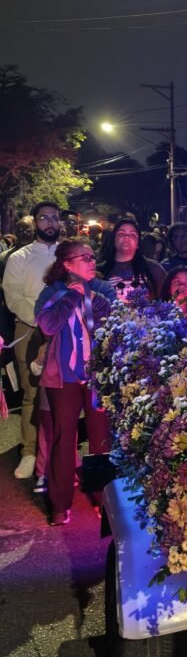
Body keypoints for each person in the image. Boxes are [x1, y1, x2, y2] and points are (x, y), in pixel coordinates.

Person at [35, 241, 114, 526]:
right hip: (64, 377)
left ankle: (103, 498)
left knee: (100, 437)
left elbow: (113, 319)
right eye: (85, 258)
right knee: (62, 436)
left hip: (96, 374)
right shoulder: (53, 291)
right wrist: (70, 297)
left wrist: (89, 294)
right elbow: (46, 324)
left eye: (94, 257)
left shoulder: (102, 288)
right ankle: (59, 503)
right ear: (67, 264)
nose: (93, 262)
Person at [2, 202, 60, 479]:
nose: (49, 223)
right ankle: (29, 451)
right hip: (29, 330)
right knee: (31, 392)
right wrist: (41, 320)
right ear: (35, 222)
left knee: (63, 392)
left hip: (64, 331)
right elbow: (13, 297)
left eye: (54, 218)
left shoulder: (67, 254)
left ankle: (60, 449)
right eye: (43, 218)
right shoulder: (19, 258)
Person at [97, 217, 165, 300]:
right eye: (121, 234)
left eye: (132, 234)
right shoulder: (99, 271)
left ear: (138, 244)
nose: (126, 237)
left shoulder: (153, 269)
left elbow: (169, 296)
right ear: (114, 240)